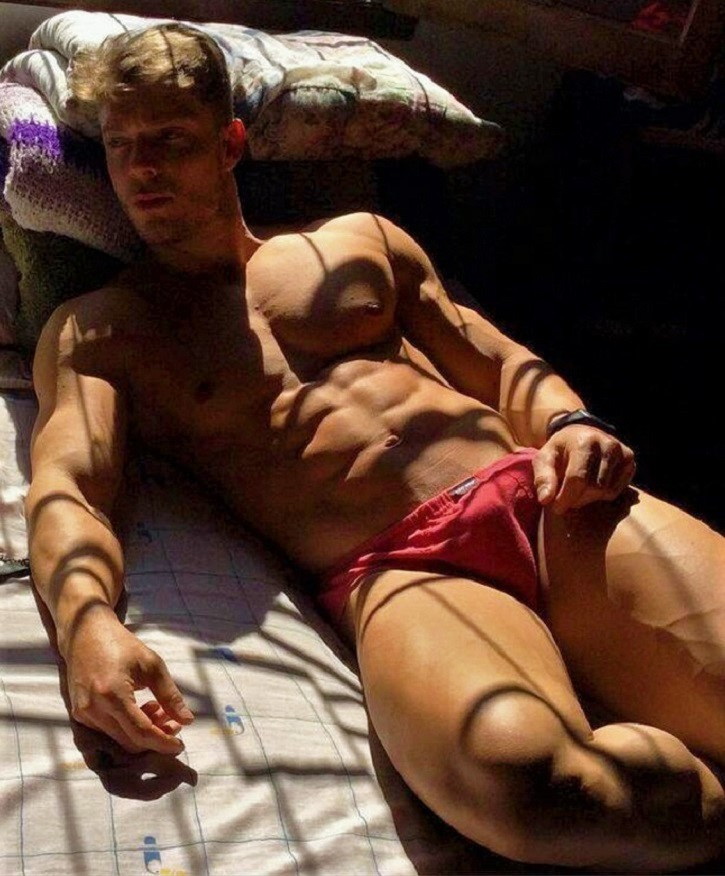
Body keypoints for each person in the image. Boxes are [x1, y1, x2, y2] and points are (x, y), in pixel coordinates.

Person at [24, 22, 724, 873]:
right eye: (121, 145)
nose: (141, 169)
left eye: (170, 139)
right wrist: (87, 625)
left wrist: (571, 423)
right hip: (402, 572)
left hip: (545, 502)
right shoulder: (102, 331)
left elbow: (498, 361)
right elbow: (71, 488)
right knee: (537, 793)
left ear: (230, 143)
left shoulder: (359, 239)